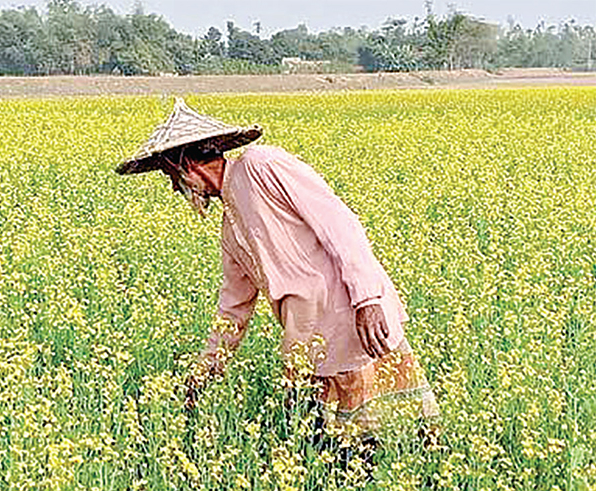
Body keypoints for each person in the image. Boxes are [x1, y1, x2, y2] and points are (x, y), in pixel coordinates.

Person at [118, 98, 439, 443]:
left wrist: (367, 300)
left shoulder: (261, 165)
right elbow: (233, 308)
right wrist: (207, 369)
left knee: (386, 439)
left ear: (185, 163)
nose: (173, 187)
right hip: (306, 346)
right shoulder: (230, 229)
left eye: (170, 175)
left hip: (353, 321)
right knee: (325, 450)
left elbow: (339, 224)